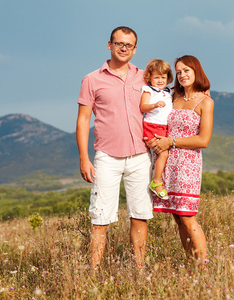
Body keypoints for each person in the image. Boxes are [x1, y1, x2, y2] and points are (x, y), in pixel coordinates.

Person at [76, 26, 153, 269]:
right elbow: (83, 120)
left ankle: (140, 271)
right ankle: (93, 272)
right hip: (107, 157)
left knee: (140, 215)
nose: (123, 48)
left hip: (141, 156)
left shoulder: (144, 77)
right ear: (108, 45)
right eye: (118, 43)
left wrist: (201, 89)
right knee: (100, 217)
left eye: (128, 45)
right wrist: (84, 158)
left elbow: (169, 91)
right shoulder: (91, 79)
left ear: (135, 49)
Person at [146, 55, 214, 266]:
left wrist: (170, 141)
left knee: (187, 215)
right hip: (166, 162)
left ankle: (204, 266)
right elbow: (150, 82)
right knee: (176, 217)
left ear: (196, 72)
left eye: (187, 70)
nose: (182, 75)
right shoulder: (172, 96)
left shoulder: (206, 101)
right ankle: (192, 263)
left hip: (188, 164)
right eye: (179, 71)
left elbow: (203, 140)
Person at [140, 59, 174, 200]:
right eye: (156, 77)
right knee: (164, 154)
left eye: (163, 77)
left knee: (164, 154)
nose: (160, 80)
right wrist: (154, 105)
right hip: (152, 126)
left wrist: (205, 90)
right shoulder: (149, 90)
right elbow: (143, 107)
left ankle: (159, 180)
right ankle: (156, 182)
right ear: (149, 78)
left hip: (163, 127)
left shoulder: (169, 91)